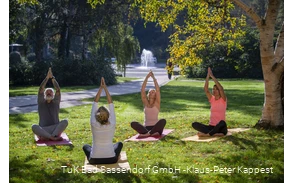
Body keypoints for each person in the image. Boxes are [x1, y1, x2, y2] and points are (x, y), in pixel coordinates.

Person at [83, 77, 123, 164]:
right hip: (111, 159)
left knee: (85, 146)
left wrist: (100, 88)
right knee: (119, 144)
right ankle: (112, 153)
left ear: (96, 115)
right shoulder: (112, 123)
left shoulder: (93, 123)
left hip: (94, 160)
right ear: (108, 115)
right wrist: (105, 88)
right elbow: (110, 103)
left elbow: (95, 102)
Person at [31, 67, 68, 141]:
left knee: (65, 121)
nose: (48, 93)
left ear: (53, 95)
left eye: (50, 92)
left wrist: (52, 78)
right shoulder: (41, 102)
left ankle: (51, 136)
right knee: (34, 127)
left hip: (55, 128)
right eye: (47, 92)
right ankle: (52, 137)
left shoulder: (56, 102)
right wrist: (47, 78)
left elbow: (58, 89)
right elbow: (41, 89)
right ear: (44, 95)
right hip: (44, 129)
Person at [192, 67, 228, 137]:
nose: (214, 90)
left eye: (216, 89)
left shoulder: (223, 100)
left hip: (220, 127)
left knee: (222, 122)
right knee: (194, 124)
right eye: (213, 89)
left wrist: (212, 76)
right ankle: (214, 133)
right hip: (211, 127)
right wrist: (208, 76)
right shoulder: (212, 99)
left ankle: (208, 134)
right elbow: (206, 89)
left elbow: (221, 88)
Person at [130, 70, 166, 138]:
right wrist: (146, 78)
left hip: (156, 127)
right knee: (133, 123)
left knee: (163, 121)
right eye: (150, 92)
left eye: (153, 92)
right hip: (146, 128)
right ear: (148, 94)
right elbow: (142, 90)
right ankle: (149, 133)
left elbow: (158, 90)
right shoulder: (145, 103)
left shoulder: (157, 103)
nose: (151, 93)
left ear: (155, 95)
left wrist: (153, 78)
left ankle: (150, 133)